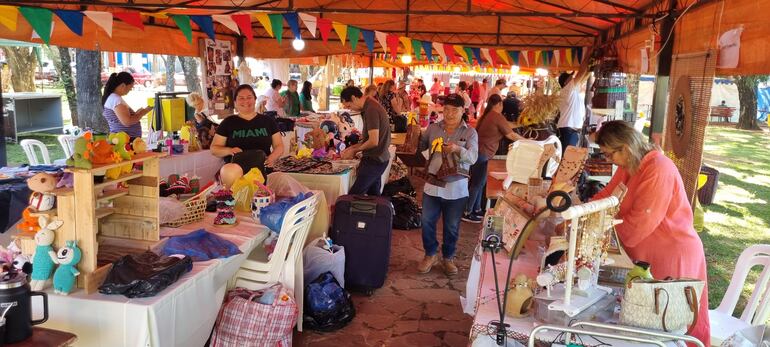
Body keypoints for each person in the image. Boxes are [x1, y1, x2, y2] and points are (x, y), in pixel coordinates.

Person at [592, 120, 710, 346]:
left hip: (672, 256)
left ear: (625, 148)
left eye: (609, 155)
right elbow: (606, 197)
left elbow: (638, 226)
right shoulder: (629, 165)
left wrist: (600, 231)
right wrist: (582, 213)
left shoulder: (658, 168)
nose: (609, 161)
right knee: (647, 326)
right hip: (646, 257)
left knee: (672, 324)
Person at [417, 93, 478, 276]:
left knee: (451, 226)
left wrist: (458, 149)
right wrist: (416, 137)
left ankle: (448, 257)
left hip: (456, 189)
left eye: (454, 110)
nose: (450, 114)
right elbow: (421, 147)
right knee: (427, 221)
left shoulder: (469, 132)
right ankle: (430, 254)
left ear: (463, 110)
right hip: (433, 185)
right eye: (447, 110)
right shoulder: (434, 128)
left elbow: (473, 157)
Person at [463, 94, 524, 223]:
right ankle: (467, 212)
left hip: (479, 153)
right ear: (499, 105)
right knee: (477, 184)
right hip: (482, 153)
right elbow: (511, 135)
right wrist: (529, 142)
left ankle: (477, 209)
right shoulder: (496, 116)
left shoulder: (489, 115)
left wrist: (523, 122)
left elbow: (508, 125)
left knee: (479, 183)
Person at [211, 84, 284, 167]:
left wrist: (272, 158)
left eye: (249, 97)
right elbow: (214, 149)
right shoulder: (228, 122)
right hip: (235, 172)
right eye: (241, 98)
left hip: (263, 169)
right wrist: (229, 150)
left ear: (255, 100)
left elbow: (279, 145)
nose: (246, 101)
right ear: (235, 102)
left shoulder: (268, 121)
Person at [339, 87, 392, 195]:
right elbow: (369, 139)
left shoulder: (371, 109)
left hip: (375, 159)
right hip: (378, 158)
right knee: (373, 195)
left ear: (354, 98)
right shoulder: (369, 106)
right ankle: (378, 211)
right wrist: (352, 148)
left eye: (349, 106)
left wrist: (354, 151)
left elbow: (373, 141)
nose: (351, 109)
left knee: (353, 196)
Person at [102, 72, 152, 138]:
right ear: (123, 85)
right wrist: (142, 113)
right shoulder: (116, 99)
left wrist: (136, 114)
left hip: (123, 139)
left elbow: (122, 118)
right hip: (124, 141)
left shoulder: (113, 98)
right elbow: (127, 122)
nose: (130, 90)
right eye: (130, 88)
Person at [557, 57, 591, 152]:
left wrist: (592, 64)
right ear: (565, 82)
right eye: (570, 77)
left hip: (571, 128)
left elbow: (584, 76)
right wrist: (588, 55)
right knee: (567, 157)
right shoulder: (567, 90)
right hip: (568, 128)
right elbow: (581, 73)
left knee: (569, 156)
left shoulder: (572, 90)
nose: (573, 78)